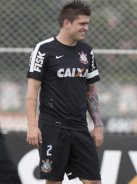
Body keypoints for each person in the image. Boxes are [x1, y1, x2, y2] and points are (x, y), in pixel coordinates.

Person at [25, 1, 103, 184]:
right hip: (52, 127)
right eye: (82, 24)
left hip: (79, 127)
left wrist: (98, 125)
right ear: (67, 23)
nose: (87, 28)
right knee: (54, 181)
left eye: (88, 24)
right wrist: (31, 126)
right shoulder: (43, 49)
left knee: (94, 181)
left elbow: (91, 91)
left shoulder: (87, 52)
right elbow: (31, 92)